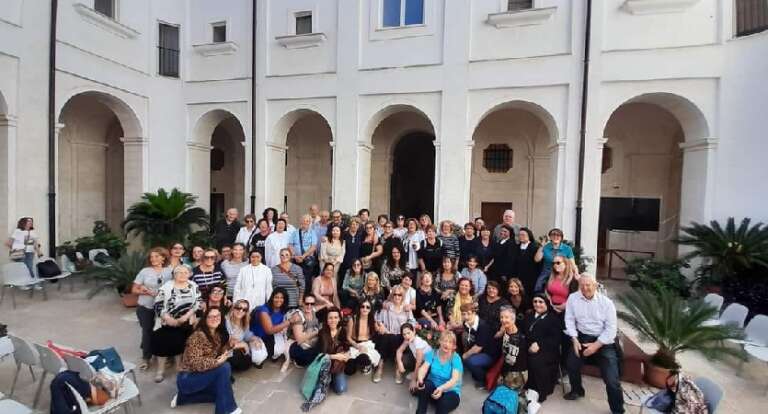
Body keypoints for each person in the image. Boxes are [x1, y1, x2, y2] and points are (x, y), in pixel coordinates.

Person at [564, 274, 624, 414]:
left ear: (595, 285)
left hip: (603, 340)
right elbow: (570, 320)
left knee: (611, 379)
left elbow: (611, 330)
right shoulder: (573, 298)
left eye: (588, 285)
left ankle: (617, 410)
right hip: (581, 336)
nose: (585, 288)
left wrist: (595, 346)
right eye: (582, 285)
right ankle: (577, 390)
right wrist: (574, 339)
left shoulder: (606, 303)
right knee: (571, 363)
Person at [173, 307, 241, 414]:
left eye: (217, 316)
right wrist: (217, 362)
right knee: (224, 368)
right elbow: (196, 363)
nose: (215, 318)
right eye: (211, 316)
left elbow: (216, 353)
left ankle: (182, 398)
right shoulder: (197, 336)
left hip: (202, 374)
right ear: (205, 319)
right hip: (187, 378)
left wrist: (229, 346)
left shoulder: (217, 334)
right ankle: (226, 410)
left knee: (221, 390)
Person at [153, 265, 201, 383]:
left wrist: (186, 316)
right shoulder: (166, 287)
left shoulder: (193, 286)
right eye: (179, 272)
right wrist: (168, 318)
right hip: (167, 322)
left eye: (185, 272)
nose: (182, 275)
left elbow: (198, 302)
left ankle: (179, 368)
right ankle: (160, 371)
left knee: (181, 345)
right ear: (174, 274)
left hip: (187, 321)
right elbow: (158, 304)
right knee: (163, 346)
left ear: (189, 274)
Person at [132, 247, 172, 370]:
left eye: (156, 256)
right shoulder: (145, 271)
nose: (153, 259)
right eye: (151, 257)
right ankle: (146, 357)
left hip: (163, 307)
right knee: (147, 331)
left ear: (163, 258)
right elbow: (134, 290)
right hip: (146, 306)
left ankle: (165, 355)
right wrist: (147, 293)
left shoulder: (169, 271)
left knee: (164, 332)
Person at [523, 293, 562, 402]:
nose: (537, 304)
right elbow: (523, 334)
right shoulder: (529, 316)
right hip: (529, 346)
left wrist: (539, 345)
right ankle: (524, 386)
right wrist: (529, 346)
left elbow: (556, 339)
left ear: (546, 303)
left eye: (540, 302)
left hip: (548, 349)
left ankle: (540, 392)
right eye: (535, 301)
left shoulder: (553, 319)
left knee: (537, 361)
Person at [374, 285, 416, 383]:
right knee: (387, 336)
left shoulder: (406, 308)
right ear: (392, 296)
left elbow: (412, 322)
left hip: (401, 337)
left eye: (400, 295)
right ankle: (380, 366)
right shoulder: (387, 306)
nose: (397, 297)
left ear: (403, 296)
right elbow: (377, 318)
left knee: (396, 337)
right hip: (387, 335)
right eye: (395, 295)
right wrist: (381, 326)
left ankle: (398, 367)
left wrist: (408, 330)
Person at [414, 331, 463, 414]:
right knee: (424, 387)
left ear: (454, 346)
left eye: (450, 342)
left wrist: (441, 388)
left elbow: (454, 380)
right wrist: (420, 379)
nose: (446, 344)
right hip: (433, 389)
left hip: (450, 391)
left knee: (443, 404)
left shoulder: (456, 358)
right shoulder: (432, 353)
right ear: (440, 341)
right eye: (444, 340)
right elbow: (423, 368)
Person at [460, 302, 498, 389]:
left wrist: (465, 355)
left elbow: (478, 347)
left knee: (469, 360)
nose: (466, 317)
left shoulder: (482, 326)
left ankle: (483, 379)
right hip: (480, 350)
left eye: (468, 314)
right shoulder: (466, 323)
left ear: (474, 313)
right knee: (466, 359)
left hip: (489, 354)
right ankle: (477, 369)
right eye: (463, 314)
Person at [250, 288, 291, 369]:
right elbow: (269, 330)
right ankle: (254, 354)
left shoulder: (283, 310)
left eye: (281, 298)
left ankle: (271, 353)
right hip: (257, 335)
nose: (279, 300)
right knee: (258, 358)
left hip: (272, 334)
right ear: (272, 297)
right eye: (276, 297)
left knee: (278, 351)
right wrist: (289, 321)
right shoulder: (264, 309)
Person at [317, 307, 352, 394]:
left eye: (336, 317)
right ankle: (329, 378)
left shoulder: (342, 330)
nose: (333, 320)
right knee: (319, 388)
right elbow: (321, 355)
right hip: (325, 364)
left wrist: (346, 355)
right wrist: (336, 356)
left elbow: (346, 346)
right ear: (327, 319)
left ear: (339, 318)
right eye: (330, 318)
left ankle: (333, 378)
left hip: (337, 365)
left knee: (341, 389)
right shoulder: (322, 333)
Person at [346, 298, 382, 377]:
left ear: (370, 309)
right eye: (362, 306)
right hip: (355, 344)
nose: (365, 309)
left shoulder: (372, 319)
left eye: (367, 307)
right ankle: (358, 361)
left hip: (367, 343)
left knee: (364, 358)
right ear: (359, 308)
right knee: (349, 370)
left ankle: (365, 363)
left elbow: (379, 330)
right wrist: (357, 346)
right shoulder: (352, 319)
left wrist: (381, 326)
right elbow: (348, 337)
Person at [225, 299, 263, 372]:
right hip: (227, 350)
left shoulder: (244, 321)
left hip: (237, 349)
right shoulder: (226, 321)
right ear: (233, 308)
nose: (241, 311)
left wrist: (255, 339)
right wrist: (243, 344)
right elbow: (226, 341)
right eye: (238, 308)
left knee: (258, 345)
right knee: (239, 359)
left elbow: (247, 335)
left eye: (244, 309)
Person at [534, 228, 576, 292]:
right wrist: (541, 246)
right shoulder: (545, 247)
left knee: (563, 290)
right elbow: (537, 259)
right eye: (553, 235)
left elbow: (572, 264)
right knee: (538, 287)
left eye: (558, 235)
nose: (555, 237)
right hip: (547, 272)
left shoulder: (567, 248)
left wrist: (576, 273)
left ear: (561, 238)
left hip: (563, 273)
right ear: (550, 237)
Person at [496, 306, 528, 389]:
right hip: (509, 367)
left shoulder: (516, 339)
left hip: (516, 373)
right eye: (501, 317)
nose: (503, 320)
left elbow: (511, 362)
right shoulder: (507, 330)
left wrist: (502, 375)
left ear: (513, 319)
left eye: (506, 317)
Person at [288, 294, 322, 367]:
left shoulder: (312, 310)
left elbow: (318, 307)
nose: (309, 306)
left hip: (309, 341)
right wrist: (317, 332)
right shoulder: (298, 316)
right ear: (302, 303)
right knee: (308, 356)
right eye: (307, 303)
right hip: (297, 345)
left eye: (312, 304)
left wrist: (327, 304)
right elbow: (299, 340)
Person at [289, 214, 318, 290]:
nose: (305, 222)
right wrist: (295, 255)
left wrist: (303, 256)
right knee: (296, 278)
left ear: (310, 222)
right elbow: (290, 244)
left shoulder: (312, 232)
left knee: (307, 279)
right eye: (304, 220)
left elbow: (313, 246)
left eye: (307, 221)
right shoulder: (295, 232)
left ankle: (306, 296)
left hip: (307, 259)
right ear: (301, 221)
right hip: (296, 259)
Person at [395, 322, 429, 387]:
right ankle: (415, 373)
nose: (407, 336)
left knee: (416, 385)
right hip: (417, 360)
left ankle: (416, 375)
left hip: (426, 363)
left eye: (408, 333)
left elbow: (419, 362)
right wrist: (400, 363)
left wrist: (413, 380)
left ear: (414, 331)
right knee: (400, 359)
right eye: (404, 334)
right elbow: (399, 351)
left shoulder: (417, 342)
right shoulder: (407, 340)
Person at [514, 227, 541, 295]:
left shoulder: (535, 247)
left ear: (529, 236)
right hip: (518, 277)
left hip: (531, 278)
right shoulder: (516, 247)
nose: (521, 236)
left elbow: (538, 262)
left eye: (523, 235)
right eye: (519, 235)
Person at [435, 258, 459, 325]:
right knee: (437, 297)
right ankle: (441, 319)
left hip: (453, 294)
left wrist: (448, 291)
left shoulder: (456, 274)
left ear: (452, 264)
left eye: (448, 262)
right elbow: (435, 287)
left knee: (451, 298)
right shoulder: (439, 273)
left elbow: (459, 287)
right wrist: (443, 293)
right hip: (442, 295)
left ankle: (450, 320)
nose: (446, 264)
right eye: (444, 262)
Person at [339, 218, 362, 287]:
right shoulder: (344, 235)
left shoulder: (361, 235)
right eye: (353, 224)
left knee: (355, 281)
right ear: (350, 225)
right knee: (343, 281)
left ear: (359, 226)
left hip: (356, 263)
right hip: (345, 261)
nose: (354, 226)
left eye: (357, 224)